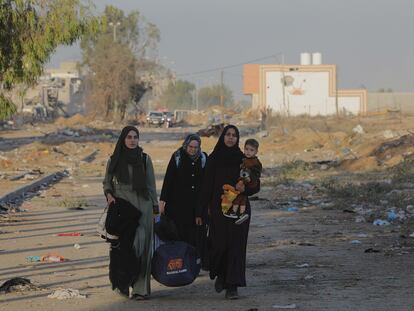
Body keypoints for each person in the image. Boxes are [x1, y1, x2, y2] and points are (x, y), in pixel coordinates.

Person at [197, 125, 260, 300]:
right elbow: (206, 187)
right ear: (223, 136)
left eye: (234, 135)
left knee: (236, 248)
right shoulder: (213, 159)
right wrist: (201, 211)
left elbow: (256, 185)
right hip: (218, 209)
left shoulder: (244, 159)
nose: (231, 138)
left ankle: (232, 286)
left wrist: (245, 187)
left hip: (239, 210)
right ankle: (220, 275)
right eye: (228, 135)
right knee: (219, 246)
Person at [103, 126, 158, 300]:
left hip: (143, 207)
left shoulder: (144, 159)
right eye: (129, 137)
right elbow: (107, 182)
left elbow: (150, 186)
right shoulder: (114, 159)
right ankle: (123, 283)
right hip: (123, 209)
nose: (132, 140)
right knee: (124, 248)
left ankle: (140, 288)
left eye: (135, 137)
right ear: (123, 139)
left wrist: (155, 207)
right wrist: (109, 195)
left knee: (142, 247)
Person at [159, 134, 207, 247]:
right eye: (190, 146)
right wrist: (162, 201)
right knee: (177, 236)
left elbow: (206, 183)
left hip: (195, 207)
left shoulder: (203, 158)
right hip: (176, 206)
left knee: (193, 237)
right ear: (186, 145)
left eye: (196, 147)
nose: (193, 150)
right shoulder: (178, 156)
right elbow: (168, 179)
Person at [225, 138, 262, 225]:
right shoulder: (243, 158)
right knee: (241, 197)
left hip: (249, 182)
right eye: (246, 149)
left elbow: (257, 174)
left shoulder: (255, 162)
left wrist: (251, 179)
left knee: (240, 196)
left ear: (256, 151)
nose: (248, 152)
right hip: (243, 182)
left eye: (251, 150)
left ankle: (239, 212)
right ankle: (240, 213)